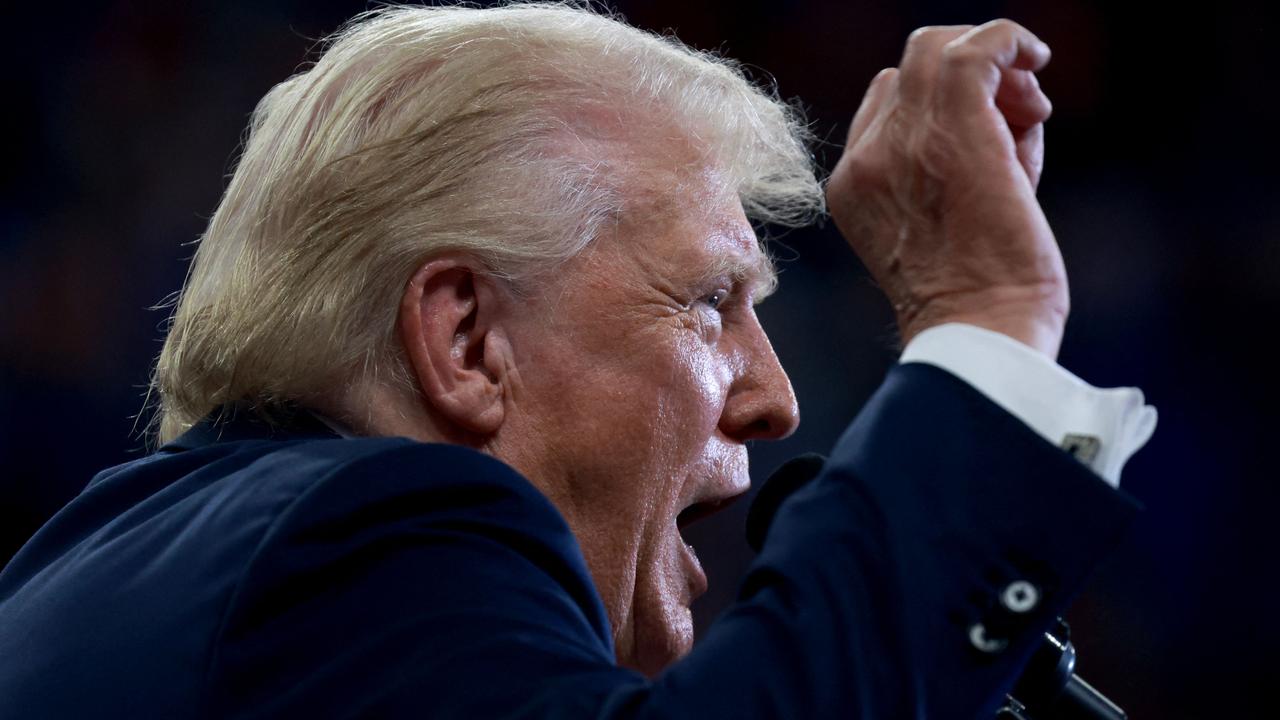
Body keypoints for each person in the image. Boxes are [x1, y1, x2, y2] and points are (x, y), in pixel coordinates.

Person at [0, 3, 1156, 717]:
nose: (774, 398)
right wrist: (984, 317)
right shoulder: (366, 533)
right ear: (464, 342)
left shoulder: (113, 558)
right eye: (710, 303)